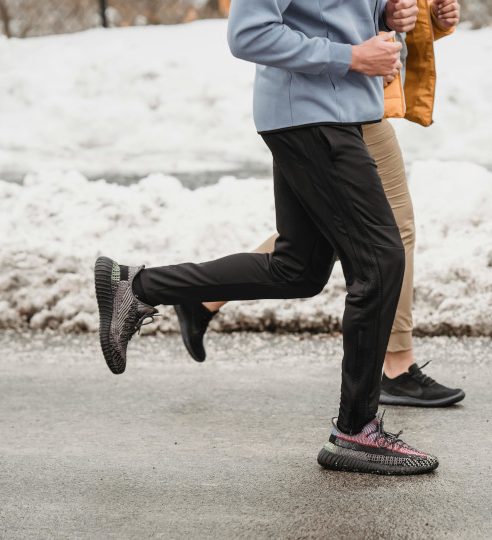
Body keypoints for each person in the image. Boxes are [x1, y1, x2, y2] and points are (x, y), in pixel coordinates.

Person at [95, 0, 440, 475]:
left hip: (337, 112)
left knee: (296, 270)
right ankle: (356, 430)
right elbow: (249, 34)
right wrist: (351, 57)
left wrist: (388, 14)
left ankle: (136, 286)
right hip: (312, 116)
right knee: (381, 261)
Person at [173, 0, 465, 408]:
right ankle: (391, 373)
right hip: (320, 106)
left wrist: (410, 18)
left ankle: (194, 296)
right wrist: (355, 55)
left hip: (353, 98)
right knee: (383, 237)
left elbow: (357, 15)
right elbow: (252, 33)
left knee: (324, 239)